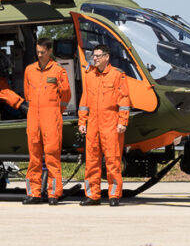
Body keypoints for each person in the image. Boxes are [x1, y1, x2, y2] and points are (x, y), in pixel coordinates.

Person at [78, 44, 131, 207]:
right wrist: (82, 121)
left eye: (98, 56)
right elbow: (84, 100)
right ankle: (92, 196)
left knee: (112, 160)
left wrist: (122, 121)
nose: (95, 58)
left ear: (106, 57)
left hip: (111, 122)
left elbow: (124, 100)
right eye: (94, 56)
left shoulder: (117, 75)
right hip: (93, 123)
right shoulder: (90, 75)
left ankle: (114, 195)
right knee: (92, 161)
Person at [22, 38, 71, 205]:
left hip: (51, 116)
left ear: (50, 51)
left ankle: (54, 194)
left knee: (52, 156)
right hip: (33, 117)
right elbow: (27, 93)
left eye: (43, 52)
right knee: (34, 156)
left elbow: (66, 94)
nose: (40, 55)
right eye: (38, 52)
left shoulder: (58, 71)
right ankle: (34, 194)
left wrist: (57, 111)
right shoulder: (29, 70)